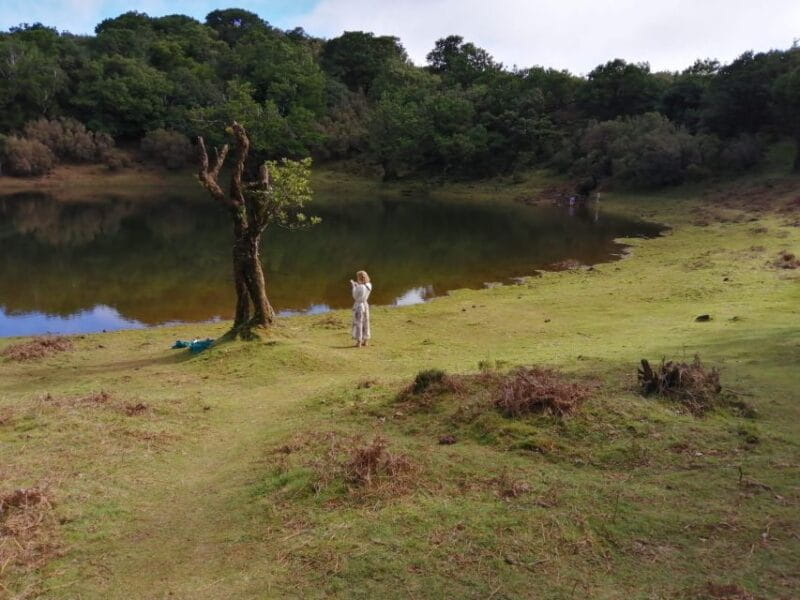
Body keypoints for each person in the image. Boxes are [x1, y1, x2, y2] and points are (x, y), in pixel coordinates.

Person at [350, 270, 372, 347]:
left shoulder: (360, 287)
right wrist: (357, 285)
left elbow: (355, 296)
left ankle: (359, 341)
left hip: (359, 306)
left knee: (359, 323)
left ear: (359, 278)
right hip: (365, 305)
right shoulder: (369, 285)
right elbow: (362, 290)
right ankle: (365, 341)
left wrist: (353, 286)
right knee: (366, 323)